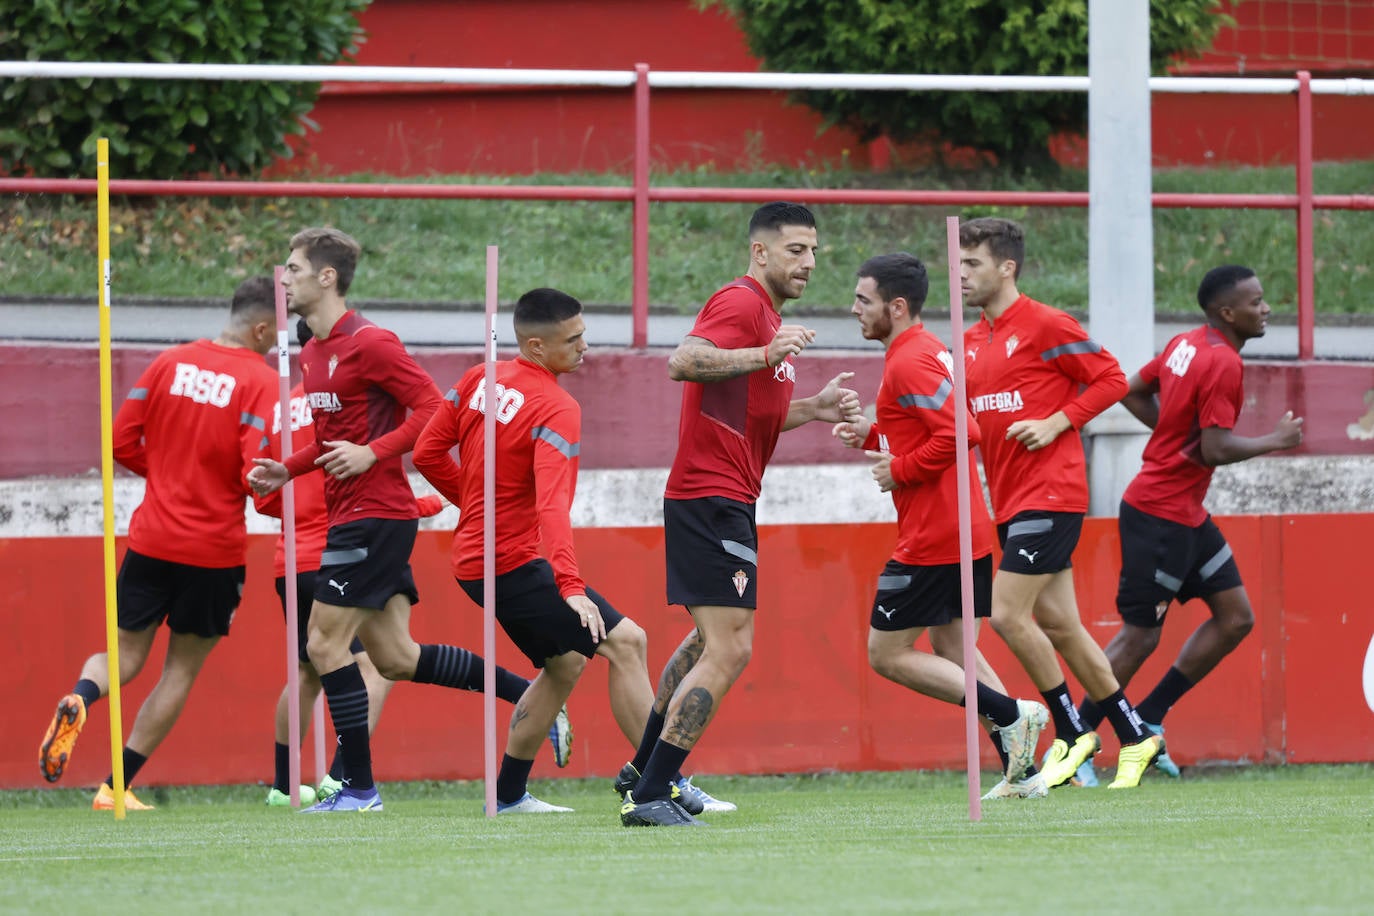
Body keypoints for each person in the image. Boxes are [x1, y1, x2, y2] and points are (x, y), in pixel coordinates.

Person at [247, 228, 541, 812]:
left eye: (293, 268)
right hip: (349, 516)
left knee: (322, 644)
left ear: (326, 278)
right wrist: (289, 469)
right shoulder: (311, 353)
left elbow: (435, 409)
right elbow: (336, 439)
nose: (283, 279)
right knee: (396, 659)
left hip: (375, 517)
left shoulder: (373, 342)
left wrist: (376, 453)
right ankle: (525, 693)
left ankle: (358, 788)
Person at [619, 201, 862, 827]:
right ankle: (653, 793)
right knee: (731, 649)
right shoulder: (742, 304)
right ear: (760, 252)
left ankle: (641, 773)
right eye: (794, 250)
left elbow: (751, 409)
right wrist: (763, 352)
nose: (808, 263)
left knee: (708, 640)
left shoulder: (768, 319)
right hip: (712, 496)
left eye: (812, 251)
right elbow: (683, 362)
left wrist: (816, 406)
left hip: (723, 497)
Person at [415, 287, 671, 814]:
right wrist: (571, 587)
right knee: (628, 642)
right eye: (573, 339)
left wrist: (474, 504)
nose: (585, 347)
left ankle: (508, 797)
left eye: (584, 334)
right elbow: (553, 507)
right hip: (510, 563)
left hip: (476, 561)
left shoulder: (476, 378)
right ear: (536, 346)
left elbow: (427, 452)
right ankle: (661, 781)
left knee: (565, 665)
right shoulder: (557, 406)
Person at [38, 276, 280, 810]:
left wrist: (169, 475)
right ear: (262, 328)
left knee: (122, 656)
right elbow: (251, 472)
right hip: (213, 549)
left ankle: (80, 696)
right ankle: (114, 788)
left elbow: (122, 439)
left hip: (152, 538)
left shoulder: (169, 362)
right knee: (180, 671)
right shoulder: (259, 381)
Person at [1072, 265, 1304, 784]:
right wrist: (1275, 440)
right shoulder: (1222, 363)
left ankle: (1149, 719)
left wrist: (1173, 433)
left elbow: (1132, 391)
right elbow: (1214, 448)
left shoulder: (1187, 342)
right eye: (1256, 301)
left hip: (1185, 514)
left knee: (1236, 618)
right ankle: (1076, 746)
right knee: (1139, 638)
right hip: (1160, 515)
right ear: (1228, 313)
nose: (1265, 308)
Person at [832, 253, 1050, 799]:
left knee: (886, 654)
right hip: (963, 528)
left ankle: (1011, 713)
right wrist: (871, 437)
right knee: (956, 651)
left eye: (864, 300)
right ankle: (1022, 771)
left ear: (896, 307)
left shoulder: (911, 361)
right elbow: (925, 427)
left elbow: (964, 431)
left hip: (935, 536)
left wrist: (898, 469)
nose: (854, 309)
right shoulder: (923, 350)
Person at [958, 216, 1163, 791]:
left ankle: (1072, 733)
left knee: (1005, 614)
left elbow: (1111, 378)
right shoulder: (971, 340)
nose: (962, 274)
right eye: (958, 264)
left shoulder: (1047, 324)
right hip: (1010, 499)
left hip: (1052, 491)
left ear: (1007, 267)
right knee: (1063, 626)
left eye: (971, 263)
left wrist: (1055, 423)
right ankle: (1136, 732)